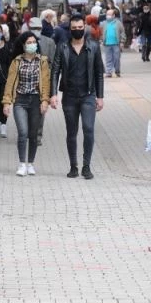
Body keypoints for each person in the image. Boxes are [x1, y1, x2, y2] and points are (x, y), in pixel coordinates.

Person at [49, 14, 104, 180]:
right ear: (70, 29)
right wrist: (53, 94)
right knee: (71, 132)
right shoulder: (62, 46)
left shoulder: (93, 46)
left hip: (88, 95)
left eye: (81, 28)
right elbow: (55, 71)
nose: (78, 31)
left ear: (85, 27)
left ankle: (86, 166)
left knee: (88, 129)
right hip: (70, 96)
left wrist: (100, 96)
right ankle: (73, 166)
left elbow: (99, 73)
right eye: (74, 28)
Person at [3, 33, 50, 177]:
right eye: (29, 42)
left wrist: (44, 100)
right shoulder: (17, 61)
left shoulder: (42, 61)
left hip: (36, 101)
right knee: (23, 132)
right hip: (20, 101)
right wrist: (6, 102)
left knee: (33, 134)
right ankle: (22, 163)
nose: (32, 44)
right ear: (23, 45)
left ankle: (31, 163)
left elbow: (46, 82)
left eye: (34, 42)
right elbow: (10, 82)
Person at [27, 17, 56, 146]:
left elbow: (54, 63)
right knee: (26, 108)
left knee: (41, 109)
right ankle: (28, 132)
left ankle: (37, 135)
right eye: (33, 29)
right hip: (26, 81)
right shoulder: (23, 41)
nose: (36, 31)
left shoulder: (49, 42)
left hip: (43, 81)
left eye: (38, 28)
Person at [100, 9, 125, 78]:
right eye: (107, 14)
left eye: (109, 14)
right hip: (107, 44)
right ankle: (109, 72)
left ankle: (117, 71)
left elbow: (122, 32)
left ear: (113, 15)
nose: (108, 16)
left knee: (116, 58)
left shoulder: (118, 23)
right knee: (108, 59)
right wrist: (101, 40)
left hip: (116, 44)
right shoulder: (104, 23)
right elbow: (100, 32)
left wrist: (122, 42)